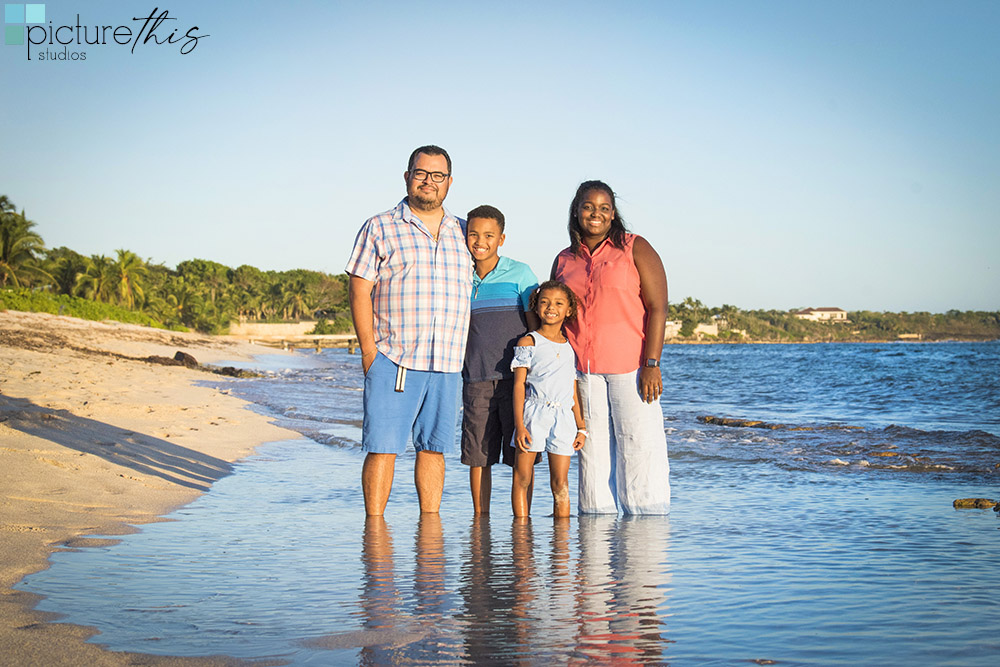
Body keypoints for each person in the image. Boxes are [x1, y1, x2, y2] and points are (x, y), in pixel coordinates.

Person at [346, 145, 473, 516]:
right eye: (421, 173)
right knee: (383, 447)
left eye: (437, 175)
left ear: (449, 182)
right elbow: (359, 289)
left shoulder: (465, 232)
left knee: (434, 448)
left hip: (448, 363)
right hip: (394, 359)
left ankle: (430, 535)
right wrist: (370, 353)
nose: (428, 182)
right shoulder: (380, 226)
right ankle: (374, 531)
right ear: (407, 177)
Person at [551, 180, 670, 515]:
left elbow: (658, 306)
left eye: (604, 208)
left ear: (613, 214)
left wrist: (652, 362)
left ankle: (647, 521)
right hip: (582, 370)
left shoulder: (635, 248)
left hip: (631, 367)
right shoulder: (564, 259)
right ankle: (595, 531)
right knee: (591, 449)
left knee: (639, 445)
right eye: (588, 206)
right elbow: (554, 312)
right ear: (577, 210)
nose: (596, 214)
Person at [461, 205, 539, 514]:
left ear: (501, 239)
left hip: (517, 381)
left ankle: (523, 522)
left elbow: (536, 329)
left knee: (522, 453)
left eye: (489, 235)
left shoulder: (521, 273)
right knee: (479, 456)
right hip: (475, 379)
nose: (480, 241)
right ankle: (481, 522)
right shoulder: (459, 274)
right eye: (474, 234)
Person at [510, 280, 588, 518]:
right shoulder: (529, 342)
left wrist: (581, 427)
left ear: (569, 310)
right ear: (536, 307)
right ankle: (521, 535)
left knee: (560, 483)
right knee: (522, 477)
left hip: (564, 418)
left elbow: (572, 389)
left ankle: (561, 546)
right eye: (544, 302)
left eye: (558, 303)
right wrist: (520, 425)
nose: (550, 307)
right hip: (534, 414)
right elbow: (518, 386)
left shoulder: (570, 347)